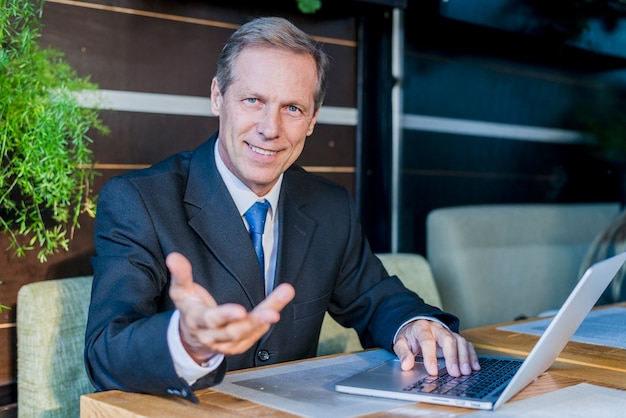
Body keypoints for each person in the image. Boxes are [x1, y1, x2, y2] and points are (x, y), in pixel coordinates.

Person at [84, 16, 480, 403]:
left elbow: (374, 297)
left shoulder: (329, 204)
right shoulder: (138, 200)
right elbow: (106, 350)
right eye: (253, 100)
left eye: (292, 108)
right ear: (218, 96)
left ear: (312, 119)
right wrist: (186, 342)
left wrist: (414, 326)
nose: (270, 128)